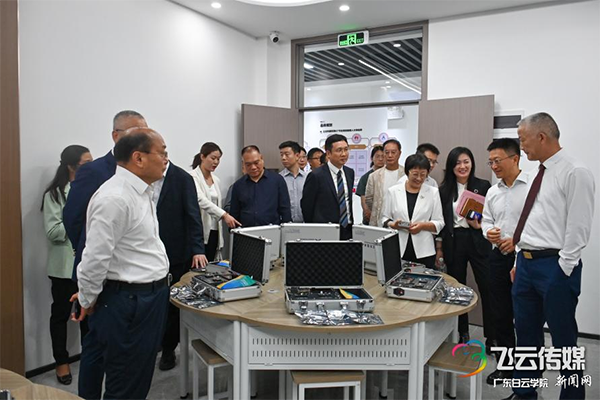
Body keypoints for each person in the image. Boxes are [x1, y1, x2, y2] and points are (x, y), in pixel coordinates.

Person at [73, 128, 170, 400]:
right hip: (130, 302)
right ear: (139, 158)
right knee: (126, 382)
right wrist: (87, 297)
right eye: (162, 153)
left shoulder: (142, 191)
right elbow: (94, 257)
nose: (166, 160)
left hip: (147, 297)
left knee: (137, 375)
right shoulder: (115, 198)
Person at [503, 113, 594, 400]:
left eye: (523, 140)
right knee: (526, 335)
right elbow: (531, 221)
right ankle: (525, 392)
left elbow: (579, 227)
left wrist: (563, 269)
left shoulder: (575, 172)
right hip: (526, 266)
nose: (521, 146)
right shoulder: (536, 174)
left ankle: (572, 396)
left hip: (555, 267)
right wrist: (519, 259)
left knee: (564, 340)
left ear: (541, 137)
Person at [64, 110, 147, 277]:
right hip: (100, 269)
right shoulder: (93, 171)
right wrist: (87, 246)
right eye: (135, 132)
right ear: (116, 136)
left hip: (136, 268)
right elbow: (73, 217)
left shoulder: (144, 170)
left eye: (145, 133)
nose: (143, 139)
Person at [42, 145, 92, 385]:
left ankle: (91, 358)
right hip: (63, 267)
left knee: (89, 315)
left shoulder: (92, 190)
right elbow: (53, 232)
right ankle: (61, 361)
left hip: (88, 264)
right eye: (86, 164)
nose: (91, 167)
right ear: (71, 166)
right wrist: (77, 219)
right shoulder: (54, 194)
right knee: (61, 315)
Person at [154, 155, 208, 371]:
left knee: (172, 304)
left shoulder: (182, 179)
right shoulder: (143, 177)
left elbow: (193, 215)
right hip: (149, 253)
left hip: (176, 251)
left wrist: (198, 249)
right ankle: (155, 344)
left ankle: (169, 348)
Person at [481, 138, 528, 385]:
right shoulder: (493, 191)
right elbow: (486, 220)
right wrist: (488, 232)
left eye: (497, 160)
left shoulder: (532, 187)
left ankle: (528, 370)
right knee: (500, 313)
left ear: (515, 158)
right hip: (498, 257)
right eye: (490, 162)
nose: (494, 166)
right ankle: (506, 367)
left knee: (526, 315)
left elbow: (539, 223)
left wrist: (517, 242)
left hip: (526, 258)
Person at [438, 146, 495, 346]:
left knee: (487, 287)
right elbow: (442, 221)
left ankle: (492, 336)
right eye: (457, 163)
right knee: (458, 288)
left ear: (472, 163)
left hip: (478, 238)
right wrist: (439, 248)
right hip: (454, 240)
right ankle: (462, 332)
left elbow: (492, 215)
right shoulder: (444, 190)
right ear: (451, 166)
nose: (462, 166)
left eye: (466, 162)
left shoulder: (483, 185)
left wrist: (479, 225)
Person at [381, 153, 444, 268]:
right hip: (398, 247)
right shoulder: (393, 191)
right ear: (407, 172)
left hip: (424, 250)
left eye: (423, 175)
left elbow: (439, 222)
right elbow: (384, 218)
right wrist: (393, 224)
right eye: (415, 174)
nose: (419, 178)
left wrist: (422, 226)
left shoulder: (433, 192)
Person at [190, 142, 241, 261]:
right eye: (213, 158)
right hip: (200, 230)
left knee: (211, 263)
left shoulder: (216, 180)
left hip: (214, 230)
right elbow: (201, 200)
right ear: (202, 156)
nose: (216, 162)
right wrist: (224, 215)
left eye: (218, 159)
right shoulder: (192, 177)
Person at [301, 134, 355, 240]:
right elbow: (307, 206)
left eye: (346, 149)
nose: (344, 154)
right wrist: (314, 228)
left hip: (347, 228)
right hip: (325, 230)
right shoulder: (316, 175)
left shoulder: (349, 173)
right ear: (328, 154)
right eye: (339, 150)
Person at [230, 145, 292, 227]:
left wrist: (286, 229)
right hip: (246, 231)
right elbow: (234, 214)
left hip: (272, 230)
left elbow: (285, 209)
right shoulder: (238, 185)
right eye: (248, 164)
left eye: (256, 163)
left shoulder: (277, 180)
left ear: (262, 159)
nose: (253, 167)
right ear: (243, 164)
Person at [365, 139, 405, 227]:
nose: (390, 155)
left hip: (401, 221)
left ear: (399, 153)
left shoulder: (406, 174)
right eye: (387, 152)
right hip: (379, 222)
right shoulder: (374, 176)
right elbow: (369, 199)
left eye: (393, 152)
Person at [355, 145, 384, 224]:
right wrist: (367, 212)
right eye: (377, 156)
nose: (380, 159)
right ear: (372, 158)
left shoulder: (388, 175)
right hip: (370, 216)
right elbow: (363, 198)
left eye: (383, 156)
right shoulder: (365, 177)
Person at [279, 140, 307, 222]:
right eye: (281, 155)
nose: (283, 158)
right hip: (285, 224)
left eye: (287, 154)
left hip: (306, 223)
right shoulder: (279, 178)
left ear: (297, 156)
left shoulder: (307, 178)